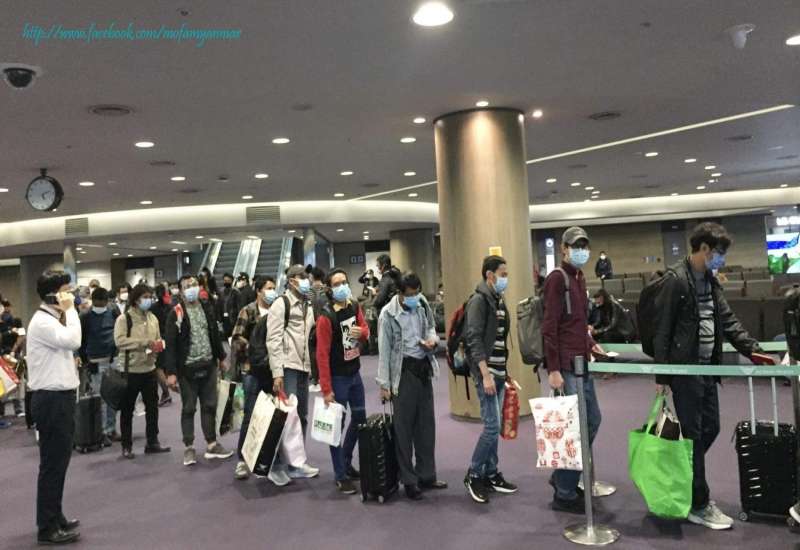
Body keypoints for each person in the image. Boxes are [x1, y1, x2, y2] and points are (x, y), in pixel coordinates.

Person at [653, 222, 767, 530]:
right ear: (704, 249)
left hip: (707, 370)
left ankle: (682, 475)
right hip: (685, 372)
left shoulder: (710, 281)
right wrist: (662, 377)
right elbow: (662, 329)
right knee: (693, 435)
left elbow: (727, 321)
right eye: (719, 253)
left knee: (710, 428)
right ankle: (698, 503)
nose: (721, 259)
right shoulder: (677, 280)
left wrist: (753, 350)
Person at [542, 227, 602, 514]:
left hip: (581, 362)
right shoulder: (557, 278)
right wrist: (553, 368)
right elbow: (550, 326)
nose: (581, 251)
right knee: (574, 428)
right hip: (566, 366)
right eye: (576, 246)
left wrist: (591, 343)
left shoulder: (579, 278)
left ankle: (562, 478)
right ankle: (564, 492)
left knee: (592, 420)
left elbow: (576, 322)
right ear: (564, 248)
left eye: (584, 246)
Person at [376, 271, 446, 500]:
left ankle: (427, 475)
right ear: (400, 293)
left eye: (417, 292)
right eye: (410, 294)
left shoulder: (422, 303)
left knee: (426, 427)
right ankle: (409, 480)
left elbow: (431, 327)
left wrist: (432, 340)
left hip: (423, 367)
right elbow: (384, 351)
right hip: (403, 372)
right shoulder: (388, 314)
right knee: (403, 430)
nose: (415, 297)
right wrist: (384, 385)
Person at [26, 270, 82, 545]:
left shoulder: (51, 320)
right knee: (52, 464)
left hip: (59, 399)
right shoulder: (43, 323)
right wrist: (71, 311)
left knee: (59, 462)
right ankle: (47, 527)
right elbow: (74, 341)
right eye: (66, 291)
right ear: (54, 295)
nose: (71, 295)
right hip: (51, 400)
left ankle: (55, 515)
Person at [463, 255, 518, 504]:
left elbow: (498, 339)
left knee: (494, 427)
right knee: (492, 427)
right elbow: (474, 339)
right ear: (490, 275)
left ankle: (491, 473)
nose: (506, 278)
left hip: (498, 371)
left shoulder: (498, 299)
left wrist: (504, 371)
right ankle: (474, 473)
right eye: (503, 274)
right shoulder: (479, 300)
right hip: (485, 373)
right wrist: (485, 374)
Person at [163, 275, 234, 467]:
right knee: (189, 408)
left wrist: (221, 358)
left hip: (208, 365)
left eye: (194, 284)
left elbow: (214, 334)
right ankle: (189, 447)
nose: (192, 288)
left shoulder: (206, 307)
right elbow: (170, 345)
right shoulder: (176, 313)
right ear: (180, 291)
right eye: (187, 286)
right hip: (187, 369)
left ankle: (212, 444)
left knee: (209, 405)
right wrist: (171, 372)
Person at [315, 269, 370, 494]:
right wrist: (326, 389)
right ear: (329, 289)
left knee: (360, 420)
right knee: (336, 427)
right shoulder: (326, 317)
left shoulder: (354, 306)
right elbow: (321, 355)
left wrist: (362, 333)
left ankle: (346, 461)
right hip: (337, 378)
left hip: (355, 374)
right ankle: (340, 475)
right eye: (337, 284)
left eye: (344, 282)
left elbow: (365, 329)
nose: (342, 287)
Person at [268, 265, 320, 480]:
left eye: (307, 276)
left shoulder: (308, 303)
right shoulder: (281, 304)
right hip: (288, 366)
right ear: (291, 281)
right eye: (301, 277)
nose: (306, 280)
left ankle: (297, 462)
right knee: (286, 416)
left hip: (304, 366)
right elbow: (273, 339)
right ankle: (278, 464)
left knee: (302, 416)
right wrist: (277, 372)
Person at [232, 275, 282, 482]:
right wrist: (255, 349)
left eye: (274, 288)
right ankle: (242, 459)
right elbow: (236, 338)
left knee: (273, 415)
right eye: (268, 288)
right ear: (258, 291)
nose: (272, 291)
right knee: (251, 414)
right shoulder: (248, 311)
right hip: (252, 369)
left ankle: (268, 457)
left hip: (273, 371)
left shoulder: (278, 310)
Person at [113, 284, 171, 458]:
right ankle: (126, 446)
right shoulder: (124, 319)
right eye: (145, 297)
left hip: (149, 369)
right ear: (136, 299)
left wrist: (158, 346)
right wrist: (143, 343)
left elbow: (157, 338)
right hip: (130, 370)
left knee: (152, 408)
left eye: (150, 297)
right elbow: (119, 341)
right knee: (127, 410)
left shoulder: (153, 318)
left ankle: (152, 442)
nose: (148, 300)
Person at [78, 287, 119, 445]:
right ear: (93, 301)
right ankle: (101, 431)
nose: (101, 305)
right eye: (98, 303)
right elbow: (81, 340)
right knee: (100, 398)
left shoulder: (113, 312)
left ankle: (111, 429)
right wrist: (85, 361)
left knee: (112, 397)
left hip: (112, 359)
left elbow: (119, 332)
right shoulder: (85, 317)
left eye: (103, 302)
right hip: (94, 361)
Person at [150, 284, 174, 406]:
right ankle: (166, 393)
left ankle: (166, 392)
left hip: (158, 339)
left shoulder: (152, 308)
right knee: (162, 365)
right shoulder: (170, 307)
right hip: (169, 338)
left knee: (157, 366)